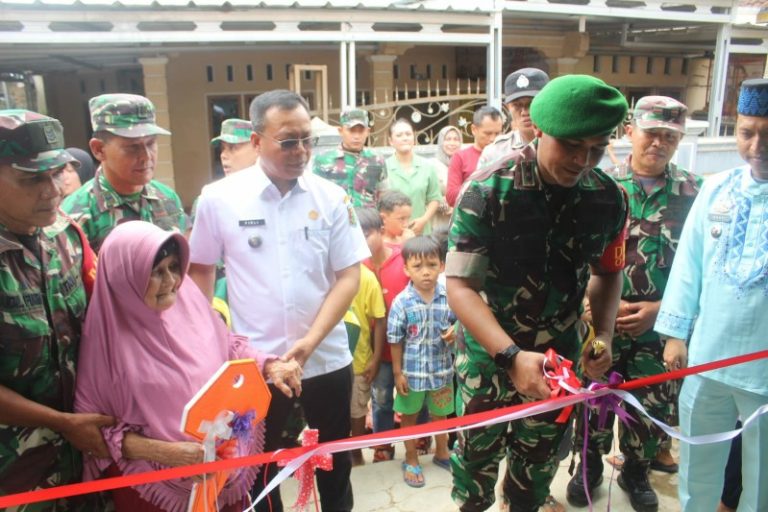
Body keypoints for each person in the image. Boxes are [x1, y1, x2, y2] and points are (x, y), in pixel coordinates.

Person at [446, 74, 629, 512]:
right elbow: (460, 286)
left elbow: (608, 273)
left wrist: (602, 336)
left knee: (534, 477)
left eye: (597, 147)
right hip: (488, 364)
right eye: (571, 145)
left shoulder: (607, 198)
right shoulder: (490, 190)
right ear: (540, 129)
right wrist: (510, 357)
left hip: (557, 367)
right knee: (473, 479)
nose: (583, 160)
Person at [187, 89, 369, 512]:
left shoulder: (331, 198)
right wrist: (212, 344)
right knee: (257, 473)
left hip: (325, 360)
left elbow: (349, 276)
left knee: (335, 466)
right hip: (257, 369)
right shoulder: (219, 199)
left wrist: (310, 341)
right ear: (256, 141)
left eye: (307, 138)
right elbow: (200, 273)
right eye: (288, 141)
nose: (301, 150)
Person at [74, 221, 302, 512]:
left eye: (173, 267)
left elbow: (229, 346)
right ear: (124, 279)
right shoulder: (105, 344)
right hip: (155, 488)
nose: (171, 281)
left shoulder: (189, 303)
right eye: (156, 272)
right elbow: (94, 431)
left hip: (220, 472)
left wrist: (270, 365)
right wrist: (165, 453)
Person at [567, 96, 702, 512]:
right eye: (650, 133)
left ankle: (636, 470)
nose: (658, 143)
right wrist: (588, 308)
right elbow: (572, 255)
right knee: (593, 399)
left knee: (652, 406)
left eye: (669, 137)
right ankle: (588, 465)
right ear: (630, 132)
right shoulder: (597, 187)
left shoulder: (695, 193)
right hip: (598, 321)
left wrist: (662, 311)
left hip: (659, 326)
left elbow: (700, 269)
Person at [654, 77, 768, 511]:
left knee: (761, 478)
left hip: (763, 370)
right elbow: (689, 265)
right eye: (746, 132)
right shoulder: (717, 188)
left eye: (767, 134)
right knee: (697, 462)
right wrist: (675, 334)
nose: (757, 145)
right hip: (708, 357)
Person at [0, 109, 113, 508]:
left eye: (56, 173)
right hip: (14, 473)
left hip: (84, 459)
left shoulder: (65, 235)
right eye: (31, 179)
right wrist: (63, 424)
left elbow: (102, 327)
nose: (51, 190)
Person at [62, 93, 187, 253]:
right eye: (133, 147)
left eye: (151, 143)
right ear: (99, 149)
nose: (146, 156)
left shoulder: (166, 197)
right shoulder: (77, 214)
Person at [388, 236, 456, 488]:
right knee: (409, 415)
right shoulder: (402, 302)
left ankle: (442, 452)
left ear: (442, 266)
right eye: (418, 266)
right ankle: (411, 458)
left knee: (441, 414)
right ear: (406, 269)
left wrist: (456, 330)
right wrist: (397, 373)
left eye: (432, 264)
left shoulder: (449, 297)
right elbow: (394, 339)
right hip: (412, 374)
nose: (426, 272)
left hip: (442, 372)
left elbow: (461, 321)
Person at [358, 207, 411, 463]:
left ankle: (419, 437)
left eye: (366, 234)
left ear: (381, 232)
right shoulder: (356, 267)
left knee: (413, 394)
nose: (361, 242)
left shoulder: (405, 260)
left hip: (408, 347)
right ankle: (383, 445)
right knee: (381, 398)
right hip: (376, 351)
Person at [348, 210, 387, 466]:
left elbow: (379, 319)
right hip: (325, 363)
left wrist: (374, 359)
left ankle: (356, 452)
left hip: (359, 360)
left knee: (357, 410)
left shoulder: (366, 276)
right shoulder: (322, 273)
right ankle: (337, 453)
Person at [312, 107, 387, 208]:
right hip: (336, 220)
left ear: (368, 132)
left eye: (361, 131)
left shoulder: (377, 160)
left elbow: (384, 196)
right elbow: (315, 196)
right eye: (351, 130)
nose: (356, 136)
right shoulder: (323, 160)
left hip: (369, 221)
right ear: (341, 131)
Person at [477, 68, 550, 170]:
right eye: (517, 105)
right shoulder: (495, 152)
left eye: (531, 104)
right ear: (508, 107)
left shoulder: (562, 144)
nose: (525, 112)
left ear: (547, 103)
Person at [385, 118, 442, 235]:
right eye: (399, 135)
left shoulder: (427, 167)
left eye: (408, 134)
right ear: (391, 141)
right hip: (394, 235)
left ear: (414, 138)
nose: (405, 138)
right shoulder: (384, 167)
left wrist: (424, 220)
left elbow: (434, 198)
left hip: (421, 233)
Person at [445, 106, 503, 207]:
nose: (493, 139)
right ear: (474, 129)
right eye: (488, 133)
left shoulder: (505, 155)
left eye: (497, 133)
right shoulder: (460, 157)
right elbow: (451, 197)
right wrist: (479, 189)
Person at [430, 125, 462, 230]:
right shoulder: (432, 165)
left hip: (461, 222)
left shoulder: (464, 164)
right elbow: (428, 194)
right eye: (448, 139)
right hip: (439, 224)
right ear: (441, 142)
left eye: (456, 139)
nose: (452, 143)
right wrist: (444, 204)